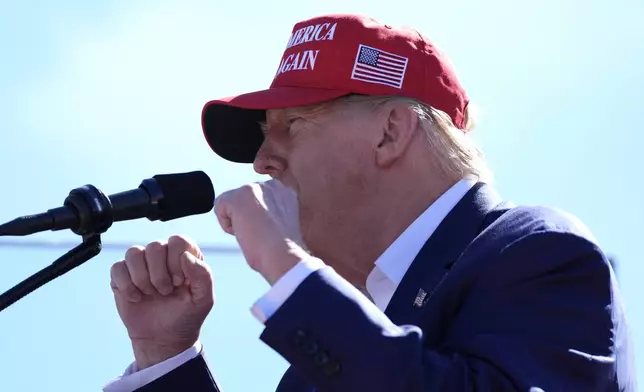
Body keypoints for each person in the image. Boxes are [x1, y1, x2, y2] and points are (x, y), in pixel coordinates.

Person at [103, 13, 636, 392]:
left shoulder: (538, 253)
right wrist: (165, 360)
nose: (262, 161)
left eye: (293, 125)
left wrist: (286, 266)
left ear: (390, 132)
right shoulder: (318, 362)